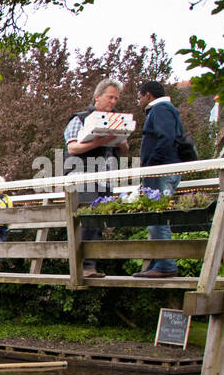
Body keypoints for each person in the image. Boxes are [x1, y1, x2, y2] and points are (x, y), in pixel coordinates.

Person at [65, 78, 130, 279]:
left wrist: (121, 140)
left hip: (106, 176)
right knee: (89, 219)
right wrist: (98, 142)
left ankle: (91, 265)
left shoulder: (115, 120)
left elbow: (125, 151)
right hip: (83, 174)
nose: (113, 102)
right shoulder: (80, 119)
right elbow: (72, 147)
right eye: (110, 97)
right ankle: (85, 266)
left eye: (116, 99)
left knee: (100, 220)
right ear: (97, 97)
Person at [133, 79, 183, 279]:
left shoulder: (160, 109)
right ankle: (157, 262)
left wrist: (151, 166)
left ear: (147, 95)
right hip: (160, 170)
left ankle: (165, 264)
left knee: (157, 215)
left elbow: (165, 139)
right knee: (154, 216)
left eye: (139, 97)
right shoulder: (165, 110)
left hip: (160, 170)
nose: (138, 101)